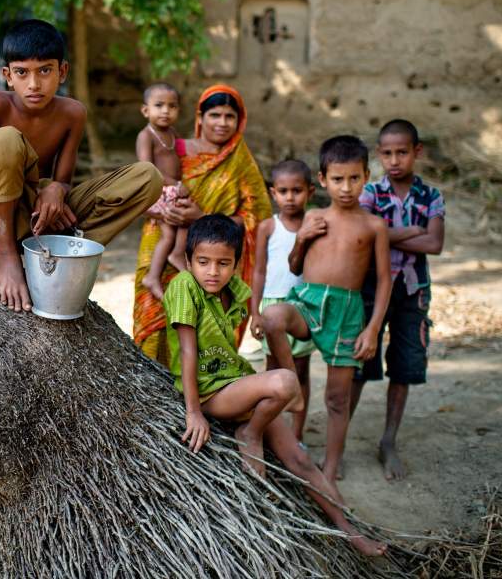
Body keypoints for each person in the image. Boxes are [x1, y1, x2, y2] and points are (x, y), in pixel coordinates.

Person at [164, 214, 385, 557]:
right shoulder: (184, 286)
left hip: (234, 382)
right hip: (209, 392)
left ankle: (352, 532)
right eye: (203, 262)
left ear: (236, 264)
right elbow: (189, 352)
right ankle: (251, 431)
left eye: (223, 263)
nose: (212, 271)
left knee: (300, 458)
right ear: (190, 259)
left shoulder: (234, 290)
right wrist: (194, 412)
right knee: (284, 381)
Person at [0, 19, 162, 312]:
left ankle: (62, 255)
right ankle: (6, 255)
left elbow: (63, 181)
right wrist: (43, 185)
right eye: (22, 73)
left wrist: (56, 188)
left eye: (45, 71)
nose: (34, 84)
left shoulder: (72, 113)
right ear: (7, 76)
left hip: (36, 218)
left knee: (147, 177)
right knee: (6, 140)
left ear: (62, 71)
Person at [258, 136, 392, 501]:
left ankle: (330, 471)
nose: (345, 188)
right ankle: (293, 391)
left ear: (366, 176)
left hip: (347, 314)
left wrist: (373, 328)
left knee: (337, 399)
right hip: (307, 301)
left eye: (353, 178)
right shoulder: (314, 218)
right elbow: (294, 266)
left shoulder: (374, 226)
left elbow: (383, 281)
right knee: (272, 318)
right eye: (337, 179)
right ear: (322, 179)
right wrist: (301, 240)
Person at [133, 85, 272, 363]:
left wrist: (202, 217)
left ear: (239, 120)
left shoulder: (241, 162)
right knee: (156, 324)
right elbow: (143, 191)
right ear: (200, 117)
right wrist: (164, 214)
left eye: (229, 116)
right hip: (160, 239)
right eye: (215, 115)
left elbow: (258, 218)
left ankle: (204, 398)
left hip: (211, 261)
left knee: (203, 334)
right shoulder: (175, 148)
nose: (222, 123)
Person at [351, 119, 445, 481]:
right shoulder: (371, 193)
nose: (394, 160)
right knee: (359, 360)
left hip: (412, 290)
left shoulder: (431, 196)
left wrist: (385, 235)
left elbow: (434, 244)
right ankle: (339, 440)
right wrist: (409, 232)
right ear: (379, 154)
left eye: (402, 152)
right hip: (371, 287)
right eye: (387, 153)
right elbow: (363, 233)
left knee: (405, 363)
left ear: (416, 152)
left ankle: (388, 440)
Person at [249, 160, 316, 442]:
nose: (290, 197)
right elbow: (259, 270)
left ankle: (297, 435)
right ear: (272, 192)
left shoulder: (314, 223)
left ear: (310, 191)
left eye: (297, 190)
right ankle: (269, 432)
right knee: (272, 369)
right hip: (270, 303)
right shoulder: (267, 227)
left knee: (300, 370)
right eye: (283, 191)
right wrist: (255, 312)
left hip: (301, 306)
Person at [137, 82, 189, 300]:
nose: (166, 111)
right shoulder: (146, 135)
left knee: (187, 216)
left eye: (172, 106)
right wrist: (175, 185)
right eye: (159, 105)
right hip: (159, 190)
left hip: (173, 191)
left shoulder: (173, 133)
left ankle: (178, 252)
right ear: (146, 110)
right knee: (167, 233)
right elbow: (147, 169)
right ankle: (153, 276)